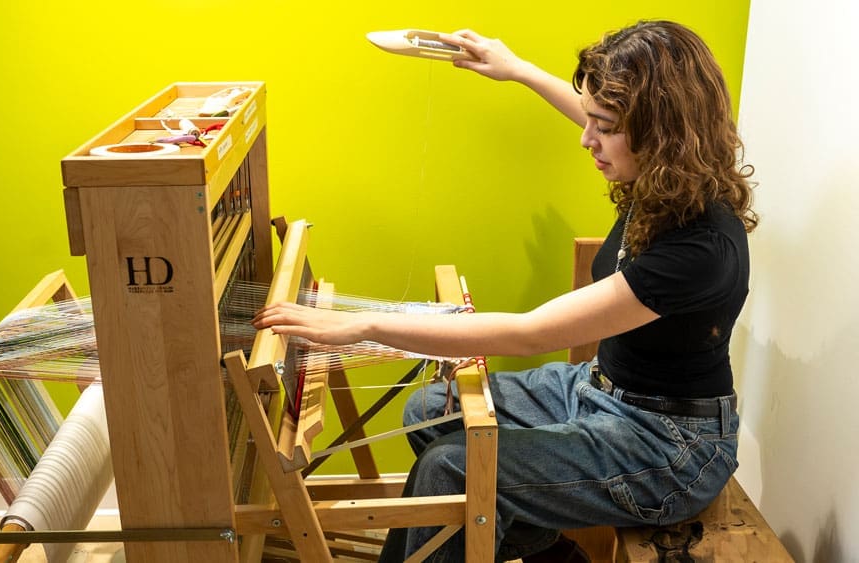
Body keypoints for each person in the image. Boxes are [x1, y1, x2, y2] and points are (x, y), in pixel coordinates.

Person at [253, 20, 757, 562]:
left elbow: (527, 332)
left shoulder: (701, 249)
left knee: (450, 467)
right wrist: (514, 68)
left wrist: (365, 325)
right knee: (432, 411)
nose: (588, 139)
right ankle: (545, 550)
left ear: (663, 137)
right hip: (599, 391)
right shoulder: (662, 175)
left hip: (670, 445)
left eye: (603, 127)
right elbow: (593, 116)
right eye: (591, 119)